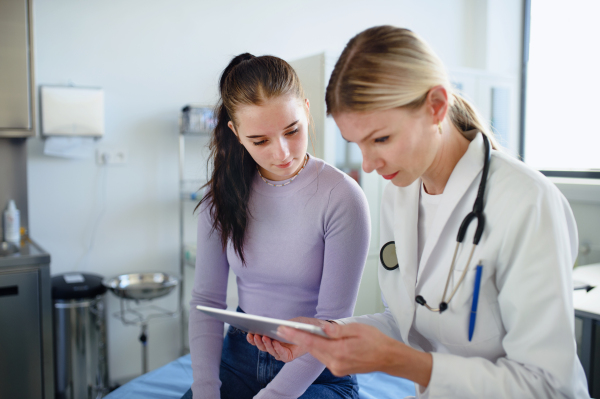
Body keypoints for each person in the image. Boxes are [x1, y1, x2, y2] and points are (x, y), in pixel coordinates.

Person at [252, 26, 590, 398]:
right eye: (357, 143)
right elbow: (412, 320)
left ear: (436, 106)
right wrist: (327, 336)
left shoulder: (527, 202)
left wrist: (402, 362)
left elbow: (547, 386)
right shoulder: (400, 193)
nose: (367, 164)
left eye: (381, 139)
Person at [182, 53, 371, 399]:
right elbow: (205, 300)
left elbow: (332, 320)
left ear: (307, 111)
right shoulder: (221, 198)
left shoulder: (342, 197)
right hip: (237, 359)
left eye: (292, 130)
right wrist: (205, 389)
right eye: (260, 141)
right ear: (236, 133)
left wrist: (274, 395)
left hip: (320, 370)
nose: (282, 153)